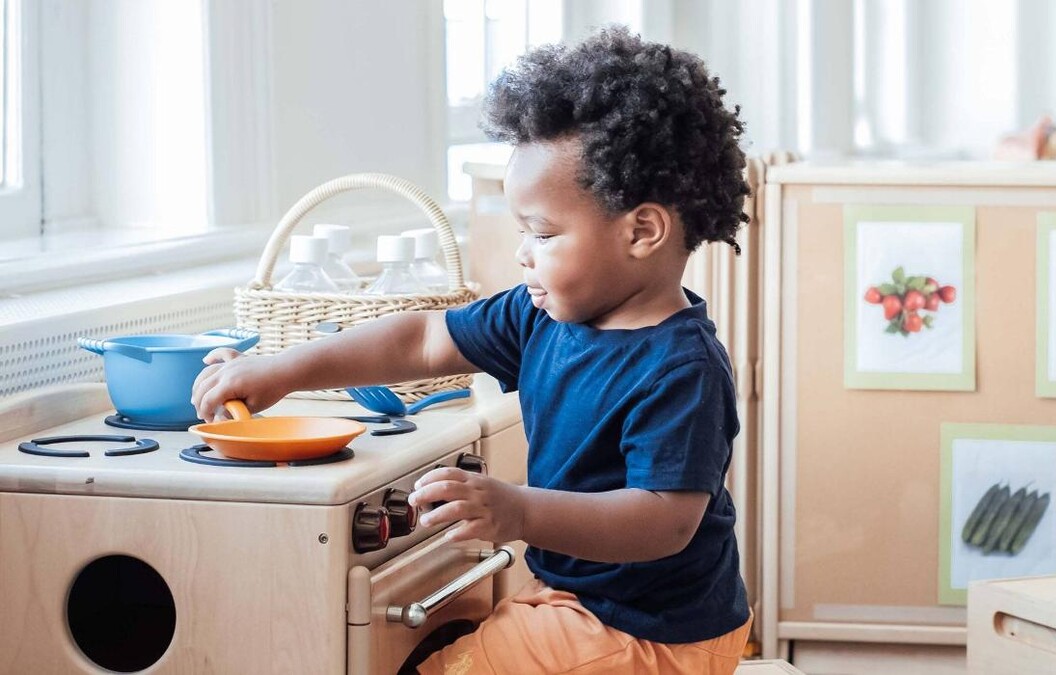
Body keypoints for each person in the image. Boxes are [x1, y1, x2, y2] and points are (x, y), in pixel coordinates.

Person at [192, 26, 752, 675]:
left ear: (643, 230)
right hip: (587, 601)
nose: (522, 253)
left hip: (652, 633)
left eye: (542, 232)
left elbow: (664, 522)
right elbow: (424, 336)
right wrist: (280, 370)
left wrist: (517, 508)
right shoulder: (542, 314)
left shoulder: (680, 367)